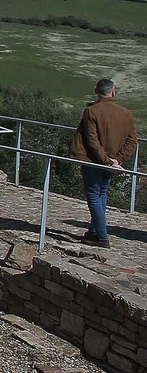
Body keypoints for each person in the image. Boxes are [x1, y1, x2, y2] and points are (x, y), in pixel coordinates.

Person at [70, 79, 137, 248]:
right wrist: (117, 160)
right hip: (112, 161)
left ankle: (101, 236)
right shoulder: (126, 113)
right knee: (102, 194)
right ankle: (94, 231)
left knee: (93, 194)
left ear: (96, 91)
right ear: (113, 92)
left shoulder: (91, 111)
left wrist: (106, 161)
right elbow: (132, 141)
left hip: (94, 161)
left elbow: (92, 141)